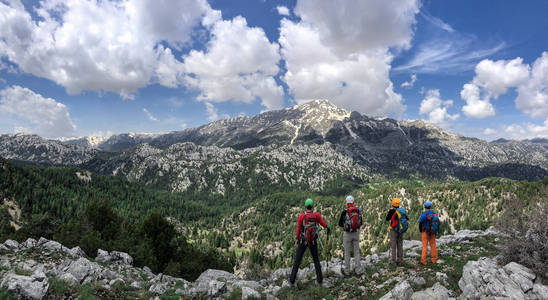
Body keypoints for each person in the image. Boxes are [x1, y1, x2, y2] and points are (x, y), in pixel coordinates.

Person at [289, 198, 330, 286]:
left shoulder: (301, 216)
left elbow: (299, 228)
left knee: (297, 260)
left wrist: (297, 238)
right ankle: (319, 280)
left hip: (303, 240)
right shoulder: (317, 215)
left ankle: (292, 280)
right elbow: (323, 224)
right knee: (316, 260)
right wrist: (328, 226)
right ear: (312, 206)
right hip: (313, 241)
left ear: (305, 206)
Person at [338, 195, 362, 275]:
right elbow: (361, 223)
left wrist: (347, 225)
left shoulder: (344, 212)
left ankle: (347, 271)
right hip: (356, 233)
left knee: (347, 252)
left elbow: (340, 224)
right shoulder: (358, 210)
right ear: (353, 202)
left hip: (347, 234)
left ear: (347, 203)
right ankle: (358, 270)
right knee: (356, 252)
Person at [385, 198, 407, 266]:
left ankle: (393, 261)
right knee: (400, 245)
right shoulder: (402, 211)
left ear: (392, 204)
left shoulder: (391, 211)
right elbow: (406, 218)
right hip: (400, 230)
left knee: (393, 246)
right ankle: (400, 261)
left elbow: (387, 219)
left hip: (393, 230)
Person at [419, 201, 439, 265]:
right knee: (433, 245)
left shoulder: (423, 214)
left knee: (424, 246)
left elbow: (420, 223)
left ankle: (424, 261)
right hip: (432, 232)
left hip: (425, 232)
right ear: (430, 207)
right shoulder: (434, 214)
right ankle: (434, 259)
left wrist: (420, 230)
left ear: (425, 207)